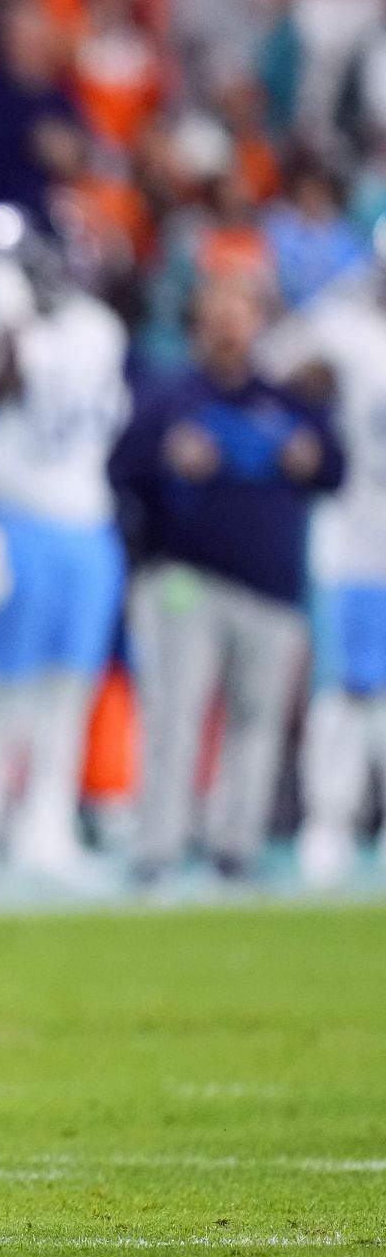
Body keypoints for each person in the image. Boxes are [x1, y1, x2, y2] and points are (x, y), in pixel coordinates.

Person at [110, 279, 345, 885]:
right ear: (199, 323)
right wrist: (167, 465)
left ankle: (235, 844)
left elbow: (335, 469)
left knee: (258, 720)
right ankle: (158, 844)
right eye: (218, 314)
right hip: (188, 580)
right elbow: (121, 470)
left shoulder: (288, 400)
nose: (229, 328)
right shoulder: (170, 396)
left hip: (270, 587)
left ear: (258, 323)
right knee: (173, 715)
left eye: (239, 314)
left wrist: (312, 457)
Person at [0, 205, 131, 881]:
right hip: (16, 520)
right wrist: (9, 321)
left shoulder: (98, 329)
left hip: (86, 522)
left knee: (69, 686)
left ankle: (46, 824)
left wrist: (15, 322)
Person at [262, 233, 386, 888]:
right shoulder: (345, 327)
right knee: (343, 692)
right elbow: (271, 362)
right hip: (356, 538)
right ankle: (328, 821)